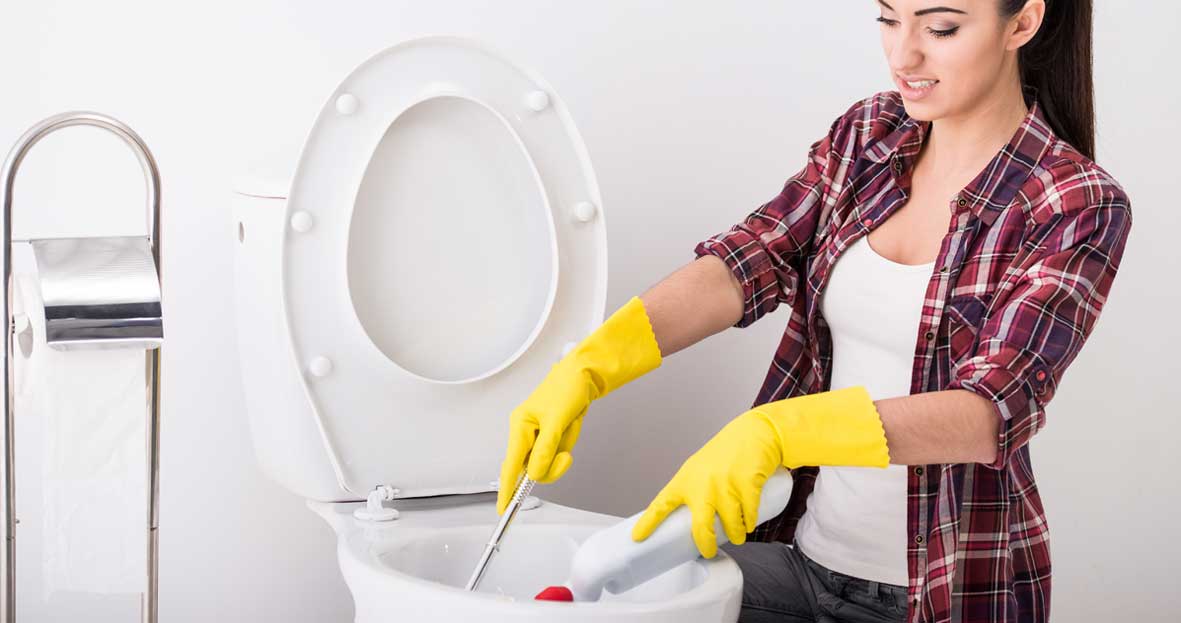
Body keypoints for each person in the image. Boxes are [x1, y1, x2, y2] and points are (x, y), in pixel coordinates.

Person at [496, 1, 1132, 621]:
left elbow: (990, 410)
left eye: (940, 27)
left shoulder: (1076, 202)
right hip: (803, 560)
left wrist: (778, 432)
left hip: (944, 592)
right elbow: (754, 257)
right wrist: (593, 362)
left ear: (1022, 21)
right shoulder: (870, 136)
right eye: (888, 18)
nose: (902, 53)